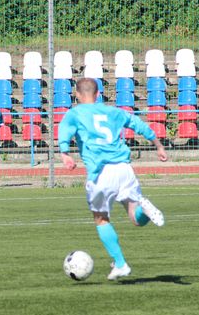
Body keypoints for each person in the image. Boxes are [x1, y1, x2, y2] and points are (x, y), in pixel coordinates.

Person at [58, 77, 168, 281]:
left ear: (77, 95)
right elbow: (137, 124)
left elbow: (64, 131)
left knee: (101, 219)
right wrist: (158, 145)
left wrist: (65, 153)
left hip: (101, 172)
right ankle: (144, 209)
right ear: (98, 94)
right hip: (124, 169)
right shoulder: (114, 112)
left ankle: (120, 264)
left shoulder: (75, 113)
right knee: (135, 218)